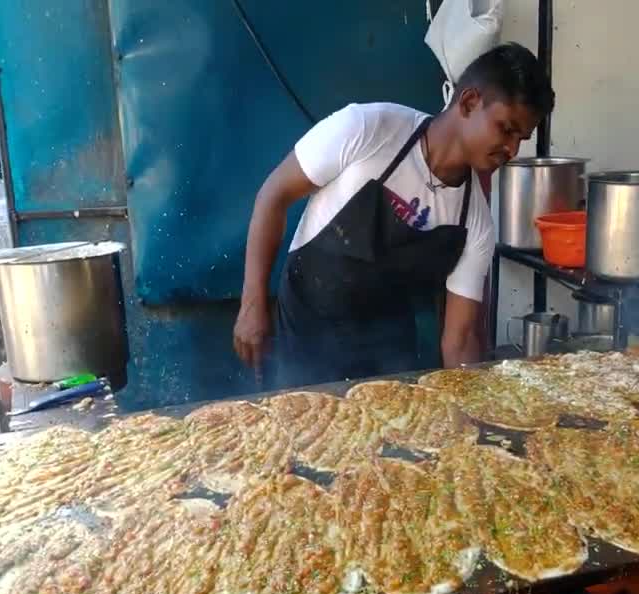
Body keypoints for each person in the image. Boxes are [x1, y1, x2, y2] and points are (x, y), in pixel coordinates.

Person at [233, 43, 553, 387]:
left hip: (389, 355)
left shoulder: (474, 222)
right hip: (306, 332)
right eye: (506, 129)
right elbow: (273, 195)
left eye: (522, 138)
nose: (512, 150)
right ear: (469, 102)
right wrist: (252, 303)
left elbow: (459, 339)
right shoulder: (368, 129)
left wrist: (469, 406)